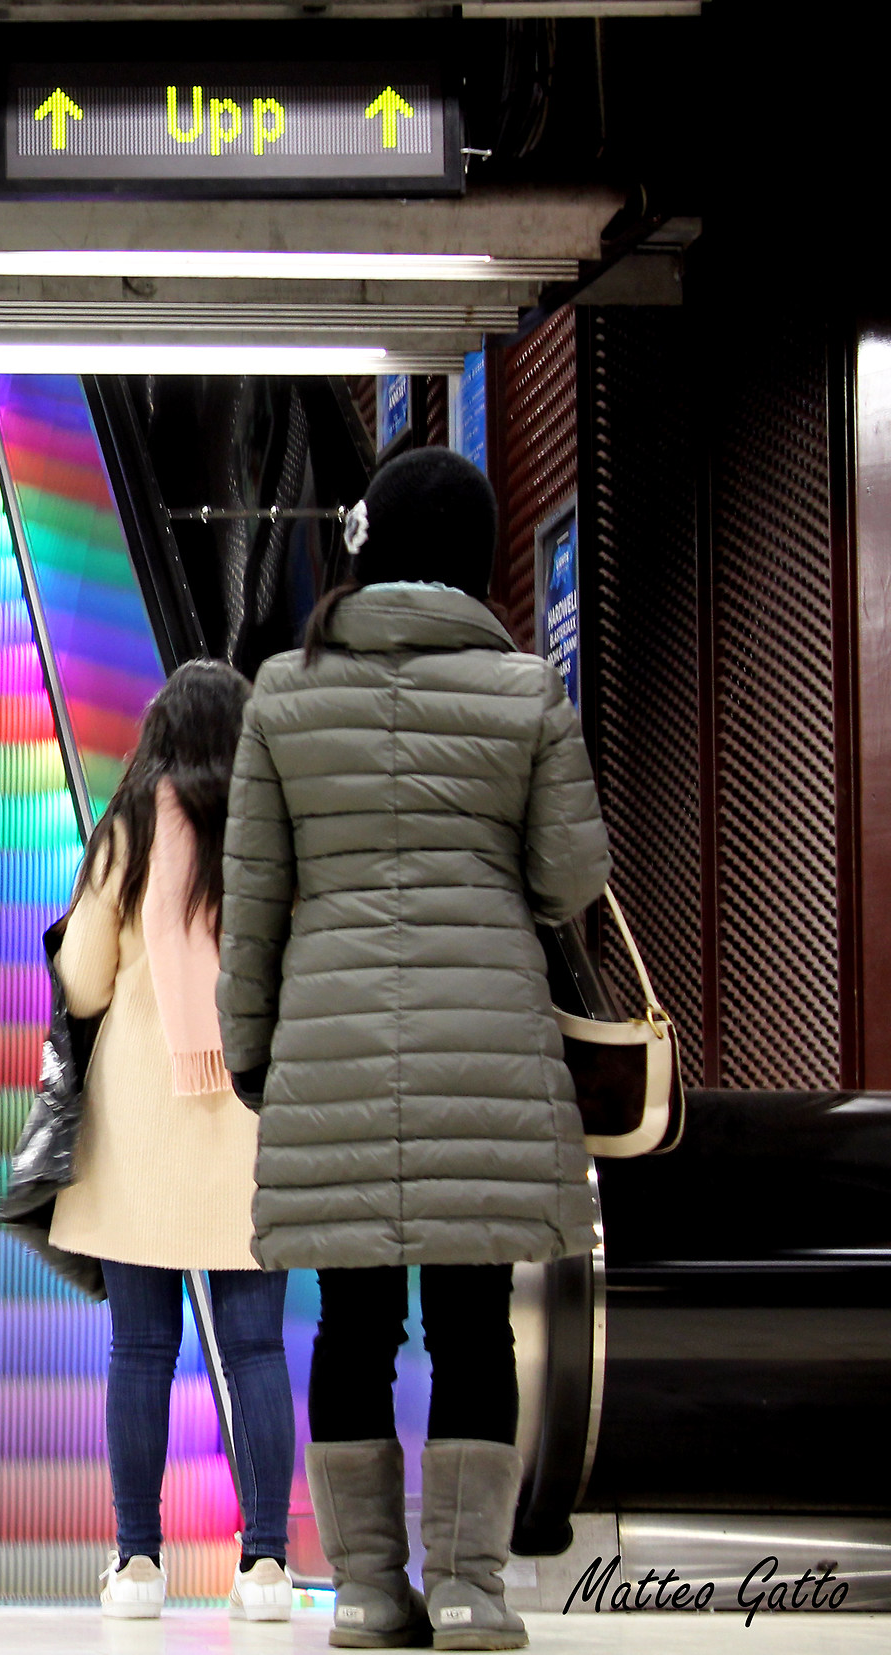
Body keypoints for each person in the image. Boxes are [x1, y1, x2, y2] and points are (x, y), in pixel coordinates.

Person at [218, 447, 610, 1652]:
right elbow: (569, 877)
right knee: (476, 1319)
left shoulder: (282, 692)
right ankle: (469, 1589)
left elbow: (255, 903)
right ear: (481, 557)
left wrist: (251, 1054)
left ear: (365, 544)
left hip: (331, 1048)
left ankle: (373, 1593)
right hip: (485, 1046)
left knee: (350, 1323)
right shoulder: (525, 692)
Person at [43, 660, 295, 1624]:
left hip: (143, 1120)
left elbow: (88, 983)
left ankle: (138, 1563)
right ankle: (267, 1566)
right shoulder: (272, 830)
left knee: (142, 1349)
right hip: (248, 1116)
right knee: (258, 1349)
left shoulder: (126, 832)